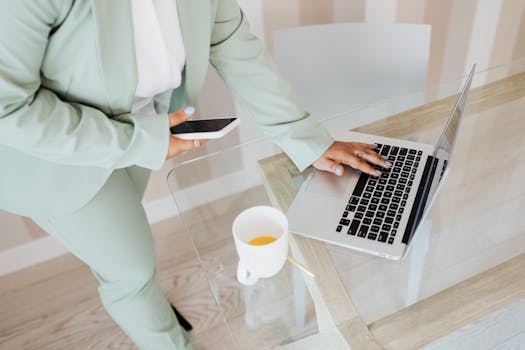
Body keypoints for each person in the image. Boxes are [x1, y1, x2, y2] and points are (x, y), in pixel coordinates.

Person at [0, 0, 391, 349]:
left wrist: (308, 139)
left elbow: (232, 42)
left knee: (127, 239)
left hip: (143, 128)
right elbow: (8, 109)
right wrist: (139, 140)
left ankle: (150, 300)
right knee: (130, 273)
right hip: (52, 162)